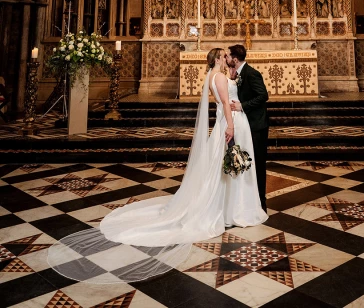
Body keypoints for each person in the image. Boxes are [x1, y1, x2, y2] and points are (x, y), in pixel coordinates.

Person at [47, 48, 267, 283]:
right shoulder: (221, 77)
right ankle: (233, 208)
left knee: (221, 170)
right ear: (218, 59)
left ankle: (229, 207)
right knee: (227, 168)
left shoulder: (213, 76)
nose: (228, 57)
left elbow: (225, 97)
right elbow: (225, 102)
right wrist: (231, 127)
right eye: (224, 55)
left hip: (227, 122)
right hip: (230, 123)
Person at [226, 44, 269, 212]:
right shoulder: (239, 73)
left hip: (257, 125)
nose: (227, 59)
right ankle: (250, 200)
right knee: (248, 163)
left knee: (258, 163)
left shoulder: (251, 73)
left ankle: (262, 203)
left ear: (235, 59)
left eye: (228, 56)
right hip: (247, 124)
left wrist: (242, 105)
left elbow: (263, 96)